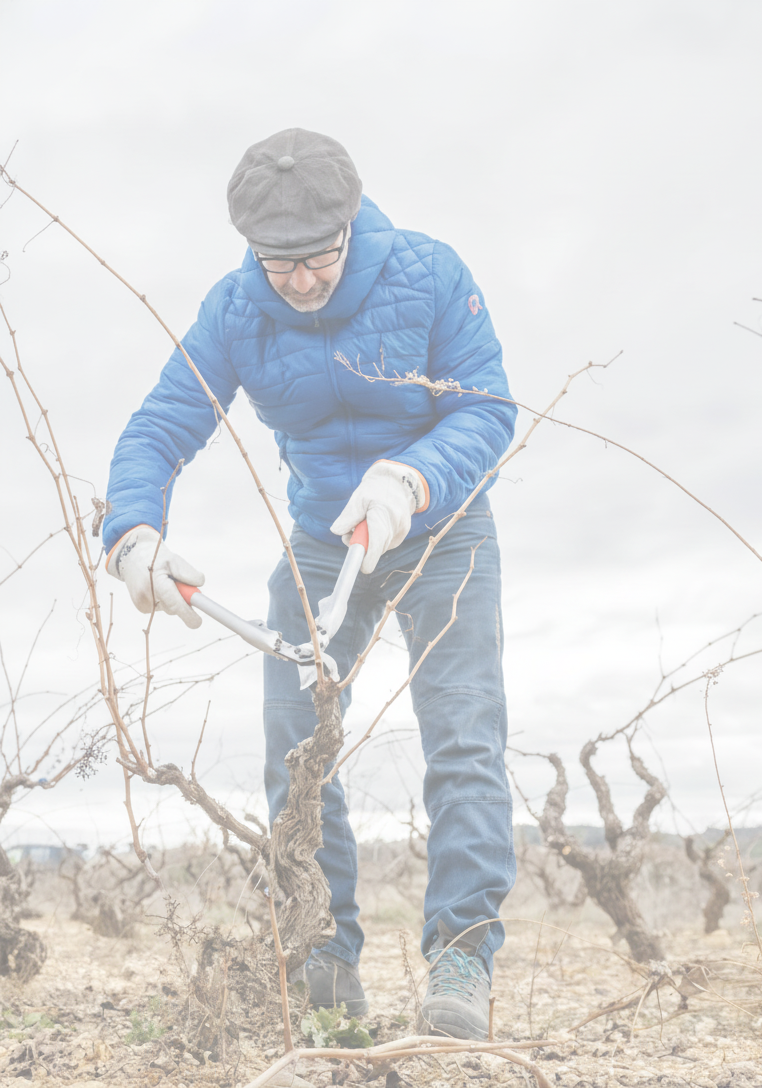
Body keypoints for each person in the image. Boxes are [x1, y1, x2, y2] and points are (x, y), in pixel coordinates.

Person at [103, 129, 517, 1041]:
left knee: (463, 735)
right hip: (324, 543)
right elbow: (161, 425)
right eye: (278, 263)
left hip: (441, 526)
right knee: (297, 749)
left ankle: (460, 956)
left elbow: (488, 409)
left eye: (318, 258)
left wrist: (410, 481)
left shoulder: (431, 273)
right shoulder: (235, 312)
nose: (301, 280)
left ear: (350, 226)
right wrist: (131, 534)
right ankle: (323, 952)